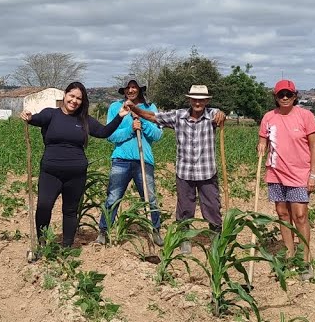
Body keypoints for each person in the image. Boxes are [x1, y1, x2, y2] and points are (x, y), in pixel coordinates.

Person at [22, 81, 129, 253]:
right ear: (65, 95)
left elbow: (103, 132)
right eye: (72, 96)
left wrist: (120, 116)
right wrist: (29, 116)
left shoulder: (84, 120)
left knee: (70, 210)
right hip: (50, 172)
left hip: (76, 174)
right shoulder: (51, 114)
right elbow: (36, 119)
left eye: (79, 98)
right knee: (44, 206)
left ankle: (67, 246)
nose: (74, 101)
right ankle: (41, 243)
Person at [132, 85, 226, 254]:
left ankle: (216, 237)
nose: (198, 103)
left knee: (212, 205)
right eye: (194, 99)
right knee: (185, 207)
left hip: (207, 171)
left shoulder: (212, 115)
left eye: (201, 100)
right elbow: (153, 116)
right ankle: (184, 237)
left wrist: (222, 115)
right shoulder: (178, 116)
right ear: (190, 100)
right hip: (185, 171)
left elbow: (221, 115)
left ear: (206, 101)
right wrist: (135, 109)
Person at [256, 79, 315, 261]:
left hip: (300, 174)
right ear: (275, 97)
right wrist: (261, 145)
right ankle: (289, 255)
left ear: (295, 96)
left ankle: (305, 259)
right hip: (276, 173)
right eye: (281, 95)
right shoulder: (269, 117)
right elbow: (263, 140)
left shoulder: (306, 116)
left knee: (300, 216)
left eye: (288, 94)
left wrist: (313, 175)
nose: (284, 98)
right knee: (283, 214)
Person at [96, 79, 163, 246]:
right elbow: (111, 135)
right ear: (124, 90)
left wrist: (142, 121)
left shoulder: (150, 108)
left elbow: (157, 135)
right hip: (121, 159)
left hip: (143, 159)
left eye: (134, 87)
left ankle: (155, 229)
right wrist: (130, 129)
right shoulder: (115, 107)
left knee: (150, 197)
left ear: (139, 89)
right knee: (113, 196)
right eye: (128, 87)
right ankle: (104, 230)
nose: (131, 90)